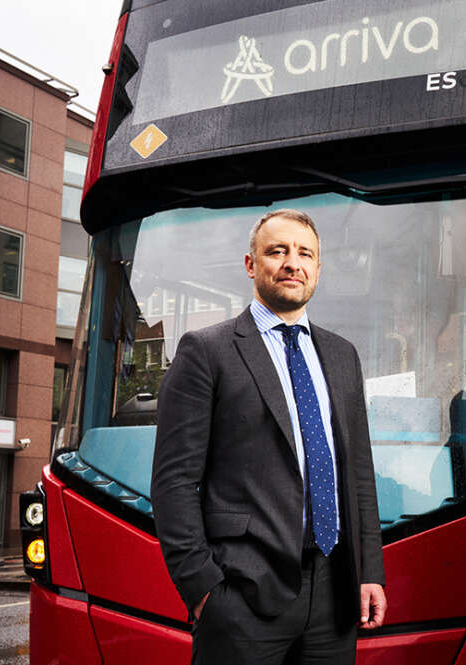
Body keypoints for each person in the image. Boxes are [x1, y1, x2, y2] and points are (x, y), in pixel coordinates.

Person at [151, 209, 386, 665]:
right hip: (242, 594)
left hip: (334, 595)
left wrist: (369, 571)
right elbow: (173, 482)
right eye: (277, 251)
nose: (291, 263)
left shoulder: (342, 355)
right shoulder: (206, 351)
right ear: (250, 263)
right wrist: (203, 590)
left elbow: (358, 473)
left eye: (304, 254)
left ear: (318, 268)